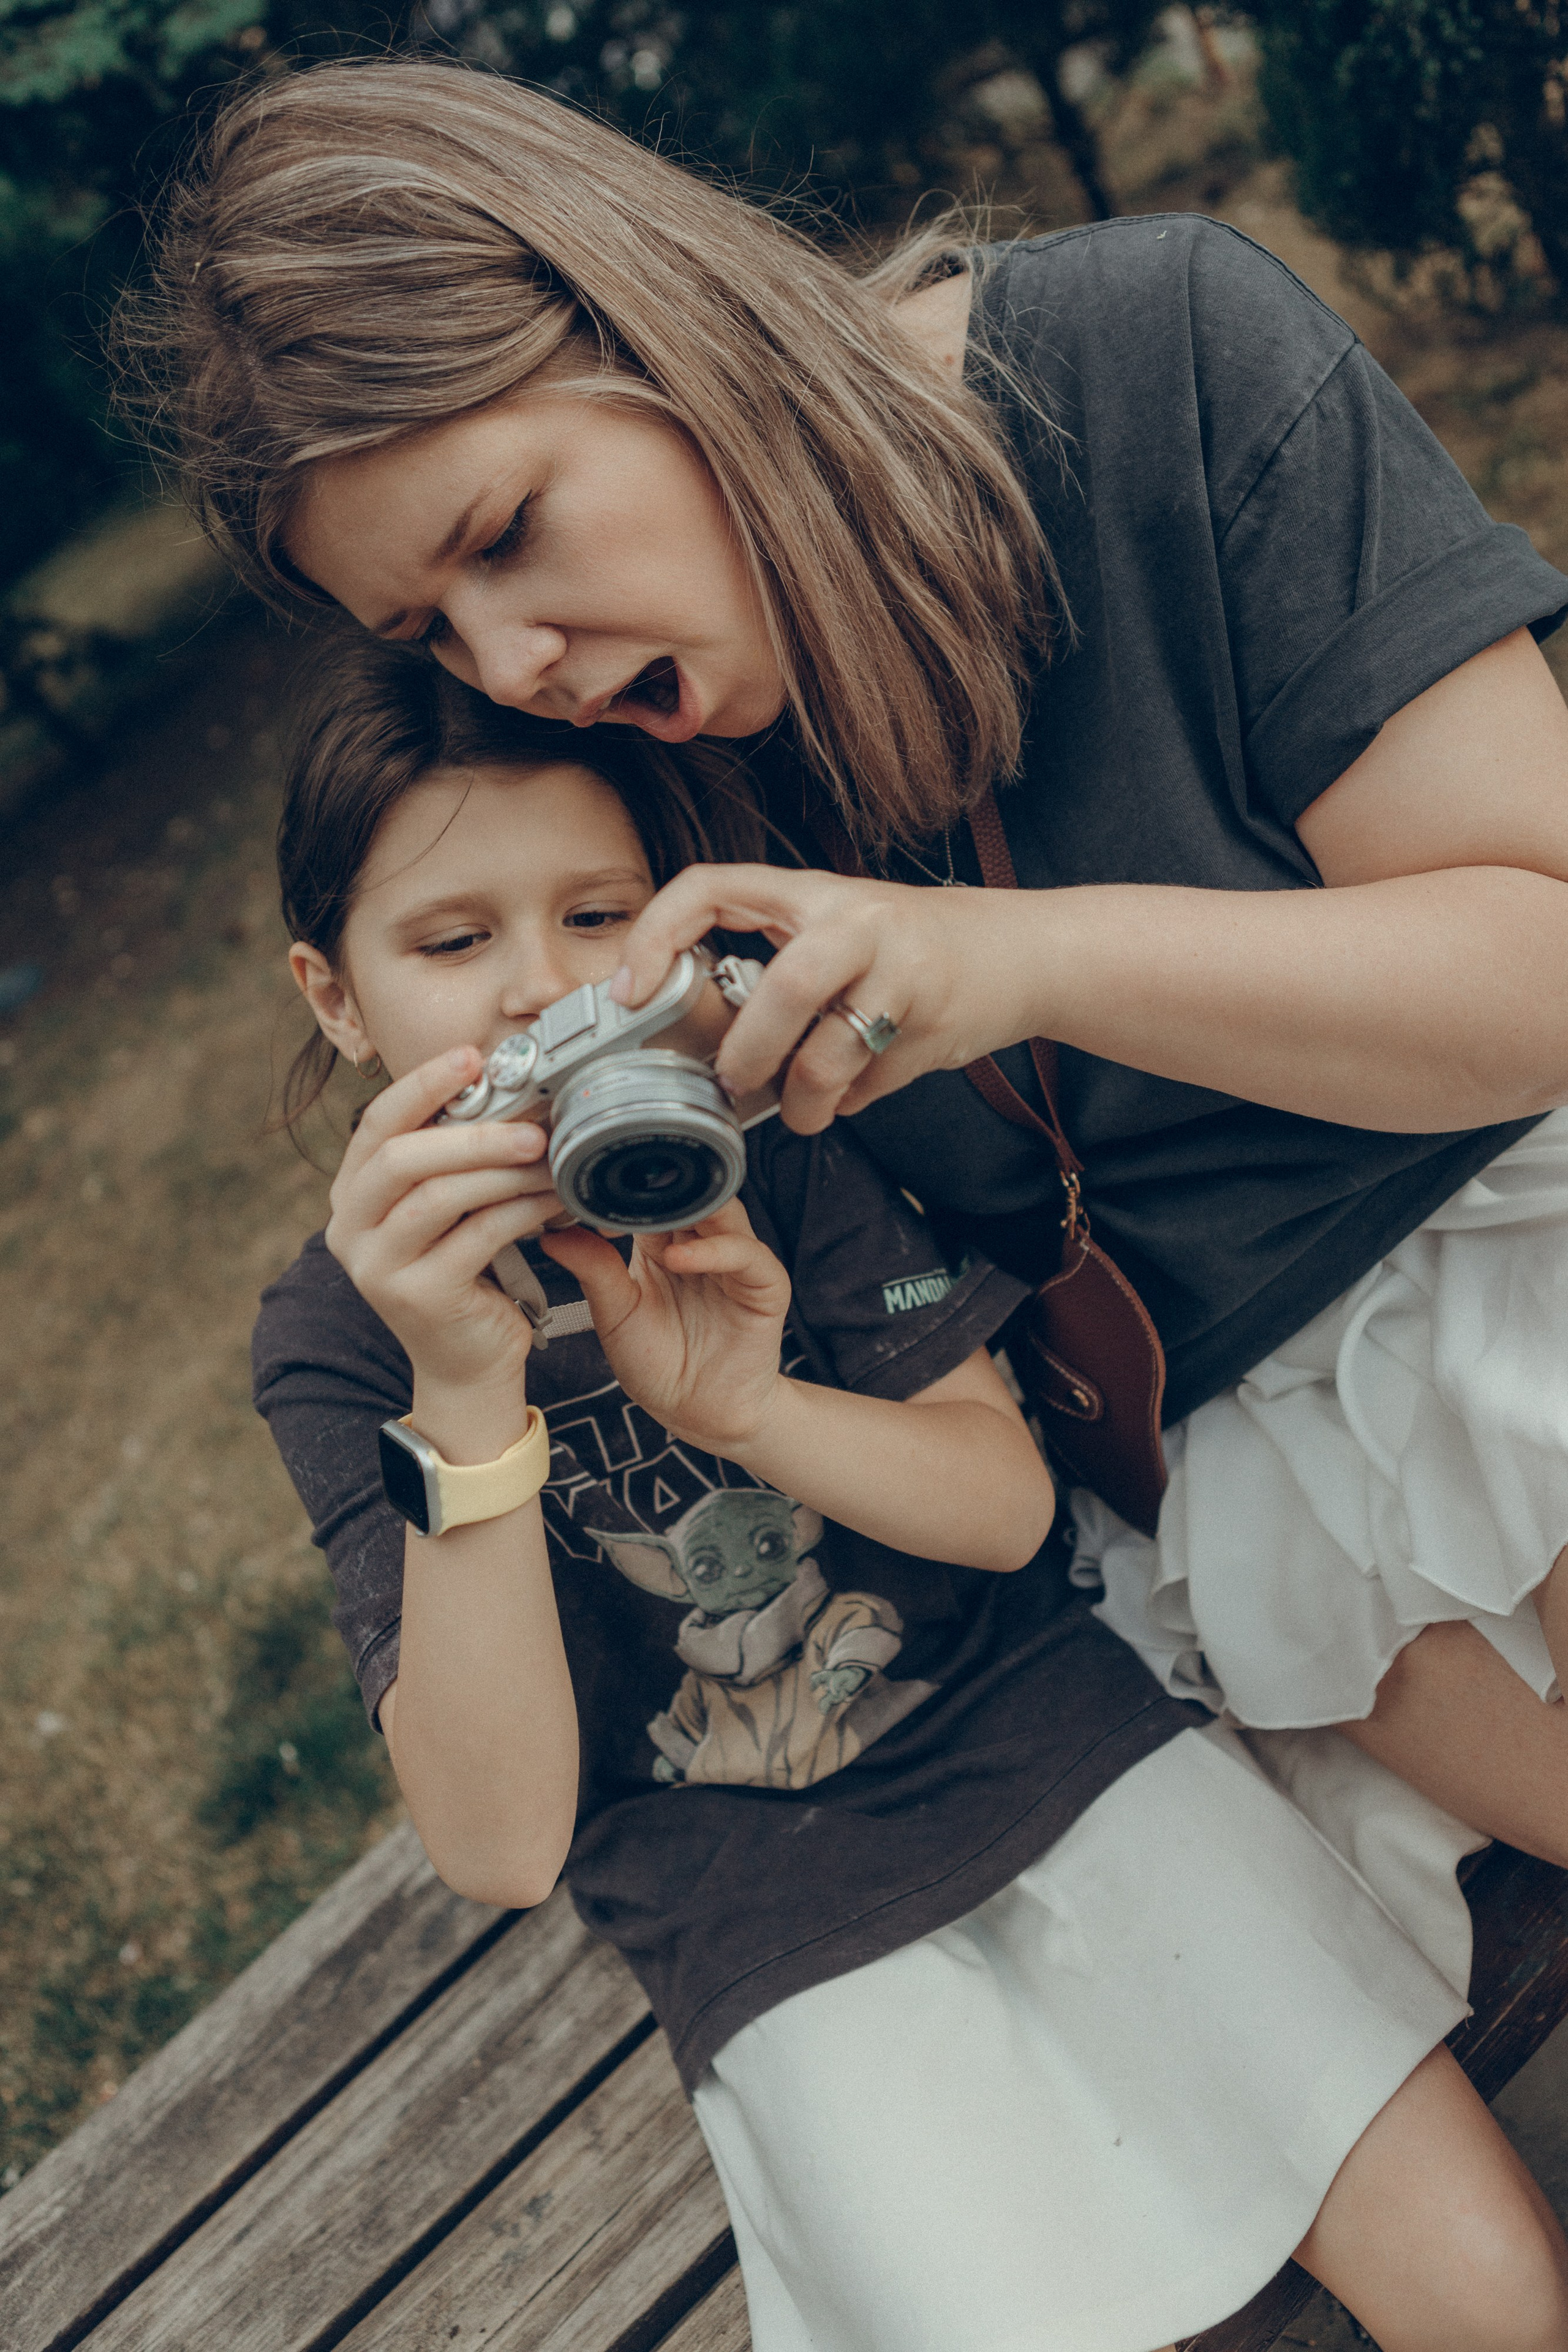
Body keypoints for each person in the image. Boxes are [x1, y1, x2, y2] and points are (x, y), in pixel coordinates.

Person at [127, 55, 1568, 2348]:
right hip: (1232, 1490)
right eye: (431, 636)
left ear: (650, 314)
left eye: (505, 537)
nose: (514, 673)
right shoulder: (632, 773)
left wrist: (1017, 964)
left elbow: (1547, 967)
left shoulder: (1157, 357)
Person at [254, 632, 1559, 2352]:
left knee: (1495, 2296)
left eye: (597, 921)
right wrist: (465, 1380)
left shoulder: (767, 1142)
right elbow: (498, 1841)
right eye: (449, 941)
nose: (536, 994)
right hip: (762, 1923)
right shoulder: (345, 1334)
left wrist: (745, 1401)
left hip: (1059, 1745)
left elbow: (1006, 1510)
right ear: (334, 998)